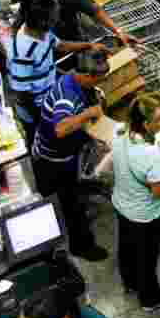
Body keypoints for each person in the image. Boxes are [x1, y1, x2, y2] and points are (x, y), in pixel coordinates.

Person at [33, 50, 110, 261]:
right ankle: (81, 247)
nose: (101, 82)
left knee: (70, 195)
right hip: (53, 159)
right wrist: (88, 114)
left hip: (61, 151)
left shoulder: (73, 79)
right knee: (71, 204)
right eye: (98, 79)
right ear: (85, 75)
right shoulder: (67, 97)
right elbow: (60, 128)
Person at [6, 0, 104, 157]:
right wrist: (42, 118)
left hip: (49, 93)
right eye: (55, 18)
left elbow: (61, 45)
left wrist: (88, 45)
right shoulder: (22, 53)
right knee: (46, 144)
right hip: (36, 109)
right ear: (45, 23)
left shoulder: (41, 32)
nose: (58, 20)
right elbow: (22, 94)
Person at [112, 93, 160, 311]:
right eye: (159, 120)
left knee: (127, 247)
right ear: (146, 124)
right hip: (144, 215)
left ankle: (130, 283)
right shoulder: (151, 155)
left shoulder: (120, 133)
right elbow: (159, 192)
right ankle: (151, 299)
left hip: (122, 203)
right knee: (146, 258)